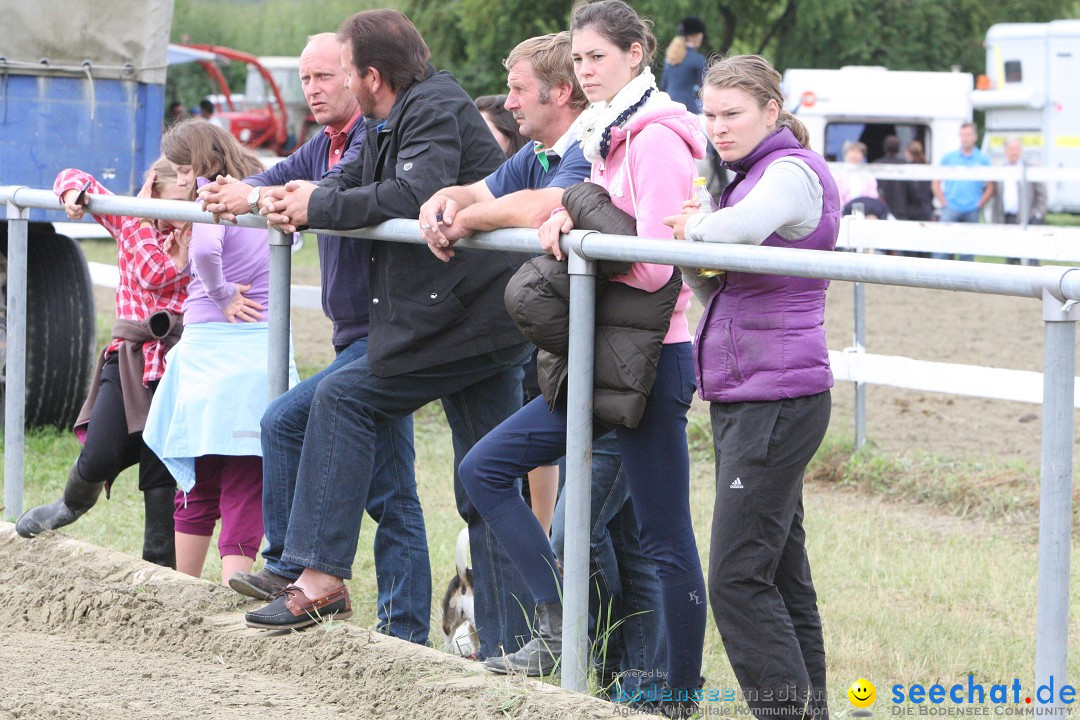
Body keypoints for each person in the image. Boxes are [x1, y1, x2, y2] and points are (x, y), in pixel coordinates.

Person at [244, 10, 534, 661]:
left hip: (464, 320)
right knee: (485, 483)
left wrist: (317, 206)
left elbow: (412, 192)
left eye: (344, 69)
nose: (338, 81)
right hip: (468, 319)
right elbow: (356, 180)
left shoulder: (432, 106)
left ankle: (317, 577)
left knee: (342, 398)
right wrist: (303, 192)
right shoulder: (394, 113)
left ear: (372, 75)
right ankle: (514, 650)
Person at [459, 1, 707, 714]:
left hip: (652, 363)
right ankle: (559, 620)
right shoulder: (609, 135)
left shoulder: (655, 137)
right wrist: (574, 215)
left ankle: (677, 696)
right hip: (602, 356)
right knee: (485, 469)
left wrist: (576, 230)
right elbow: (607, 219)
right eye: (579, 56)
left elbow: (656, 266)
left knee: (664, 538)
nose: (585, 69)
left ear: (636, 55)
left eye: (597, 56)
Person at [421, 31, 665, 695]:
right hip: (587, 364)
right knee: (607, 528)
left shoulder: (592, 145)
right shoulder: (541, 150)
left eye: (519, 90)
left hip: (630, 363)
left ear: (559, 94)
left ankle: (634, 679)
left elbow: (540, 206)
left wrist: (469, 218)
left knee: (612, 531)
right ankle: (608, 666)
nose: (508, 102)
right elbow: (485, 189)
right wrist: (445, 202)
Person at [197, 33, 430, 644]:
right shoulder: (322, 144)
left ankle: (293, 569)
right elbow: (274, 176)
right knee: (391, 489)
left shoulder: (370, 142)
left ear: (357, 78)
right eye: (306, 80)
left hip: (384, 335)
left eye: (326, 77)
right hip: (354, 333)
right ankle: (397, 627)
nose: (315, 90)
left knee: (290, 423)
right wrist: (228, 193)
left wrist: (257, 195)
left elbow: (335, 193)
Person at [664, 53, 838, 720]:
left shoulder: (789, 173)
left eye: (732, 114)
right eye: (708, 114)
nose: (717, 128)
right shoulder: (747, 177)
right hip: (753, 392)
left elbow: (729, 236)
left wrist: (693, 226)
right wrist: (698, 239)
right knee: (782, 579)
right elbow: (714, 275)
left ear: (771, 111)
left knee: (735, 579)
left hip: (777, 397)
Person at [143, 119, 299, 586]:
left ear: (201, 159)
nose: (183, 178)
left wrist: (221, 292)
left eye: (184, 167)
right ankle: (235, 585)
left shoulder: (211, 193)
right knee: (247, 480)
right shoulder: (264, 188)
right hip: (262, 349)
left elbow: (209, 249)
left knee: (198, 477)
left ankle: (184, 585)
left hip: (213, 351)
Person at [15, 160, 190, 569]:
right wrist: (75, 195)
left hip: (177, 359)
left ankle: (159, 566)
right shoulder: (131, 215)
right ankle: (68, 505)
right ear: (155, 188)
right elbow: (72, 176)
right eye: (180, 200)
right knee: (98, 455)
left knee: (161, 465)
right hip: (130, 356)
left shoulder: (198, 227)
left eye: (191, 198)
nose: (185, 210)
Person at [472, 91, 558, 535]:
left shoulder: (541, 162)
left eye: (486, 135)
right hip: (501, 313)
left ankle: (543, 533)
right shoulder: (520, 167)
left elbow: (538, 207)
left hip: (532, 321)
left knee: (533, 417)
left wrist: (473, 216)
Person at [932, 122, 993, 261]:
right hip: (951, 207)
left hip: (972, 208)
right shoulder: (949, 158)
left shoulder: (983, 160)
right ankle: (937, 278)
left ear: (975, 137)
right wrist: (944, 203)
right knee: (942, 247)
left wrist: (980, 203)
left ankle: (964, 281)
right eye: (962, 135)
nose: (964, 138)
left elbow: (991, 186)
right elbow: (936, 183)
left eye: (968, 135)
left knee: (968, 249)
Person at [990, 137, 1047, 265]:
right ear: (1005, 151)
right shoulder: (1001, 169)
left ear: (1021, 150)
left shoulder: (1030, 168)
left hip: (1028, 218)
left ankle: (1032, 284)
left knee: (1031, 257)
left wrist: (1038, 214)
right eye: (1010, 149)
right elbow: (996, 196)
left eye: (1016, 149)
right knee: (1011, 257)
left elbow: (1042, 194)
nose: (1013, 152)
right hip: (1007, 219)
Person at [660, 16, 707, 114]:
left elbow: (663, 85)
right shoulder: (698, 59)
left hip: (668, 107)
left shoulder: (671, 57)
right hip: (689, 108)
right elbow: (704, 87)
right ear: (695, 35)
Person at [873, 135, 910, 220]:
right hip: (901, 209)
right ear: (899, 148)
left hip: (881, 210)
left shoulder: (877, 164)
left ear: (884, 147)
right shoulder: (905, 165)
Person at [834, 140, 878, 208]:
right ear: (846, 154)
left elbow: (873, 195)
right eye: (852, 152)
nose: (854, 155)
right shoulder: (839, 173)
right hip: (843, 210)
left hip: (864, 209)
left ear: (863, 156)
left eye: (858, 152)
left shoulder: (868, 175)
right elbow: (836, 195)